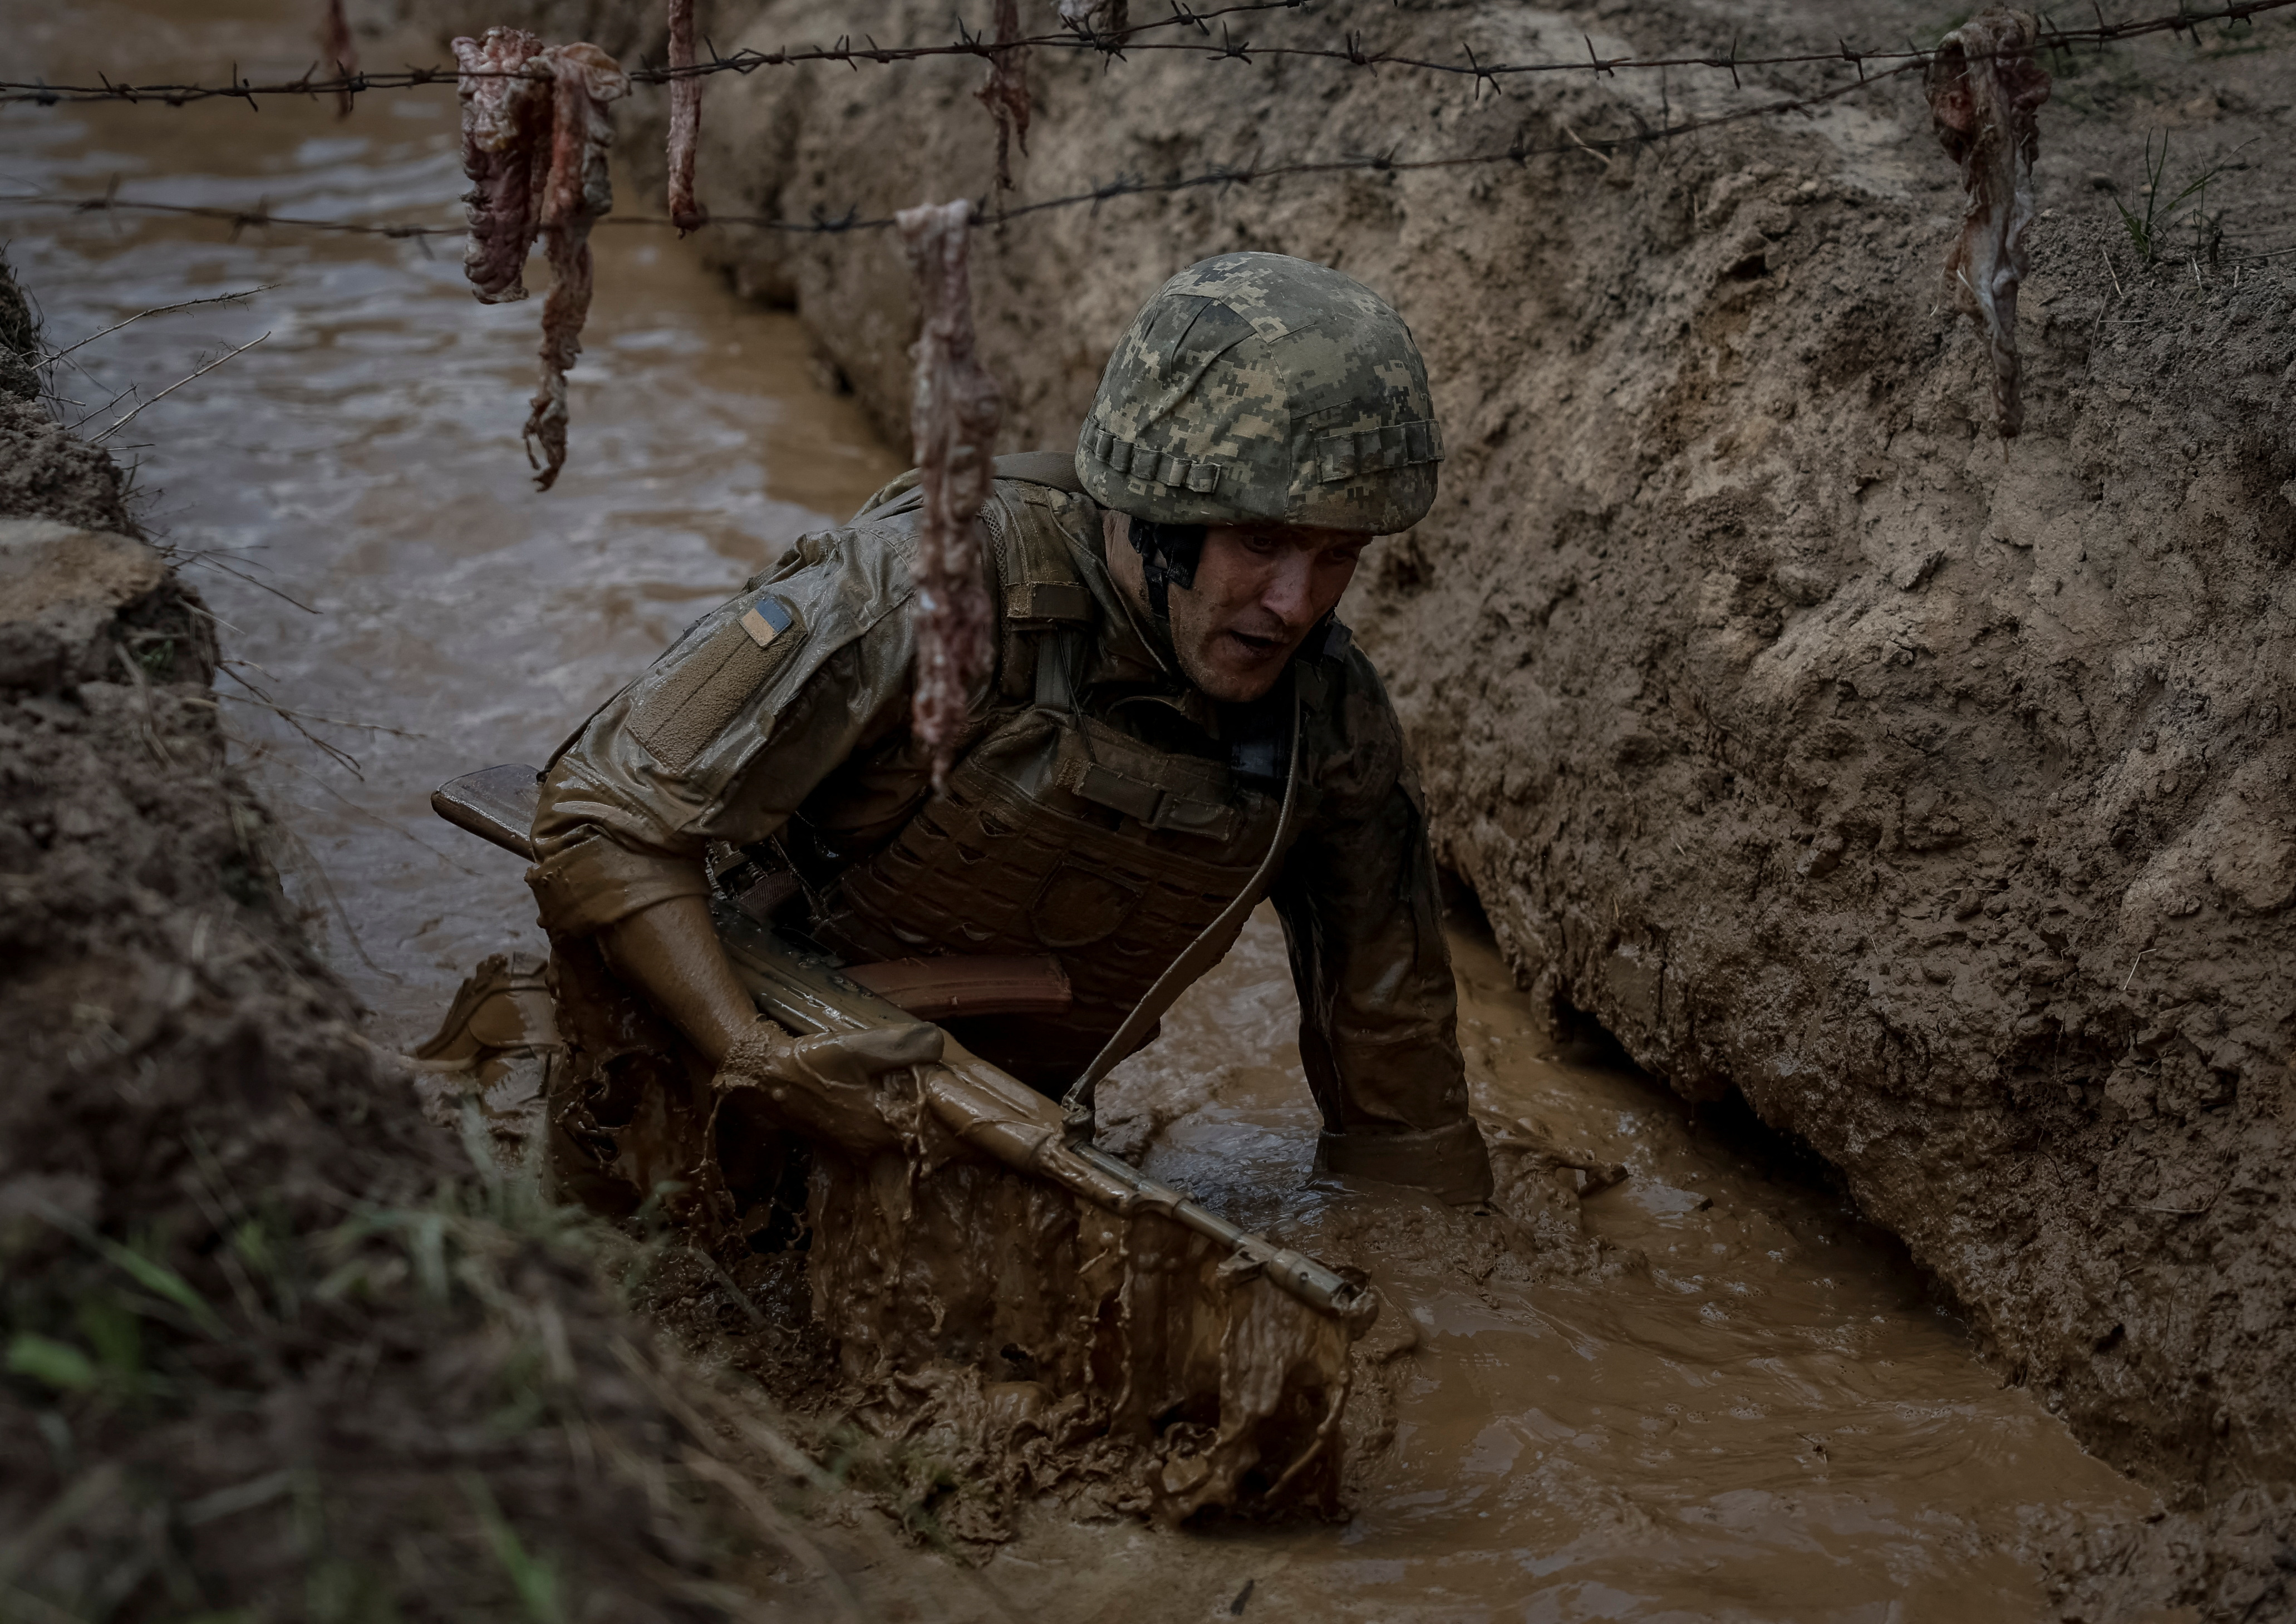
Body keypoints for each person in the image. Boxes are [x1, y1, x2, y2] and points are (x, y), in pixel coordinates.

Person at [526, 250, 1493, 1206]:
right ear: (1151, 510)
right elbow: (598, 818)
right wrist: (752, 1055)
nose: (1293, 604)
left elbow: (1400, 1104)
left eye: (1337, 557)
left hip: (986, 1162)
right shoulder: (927, 590)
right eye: (1261, 542)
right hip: (689, 1090)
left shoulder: (1331, 724)